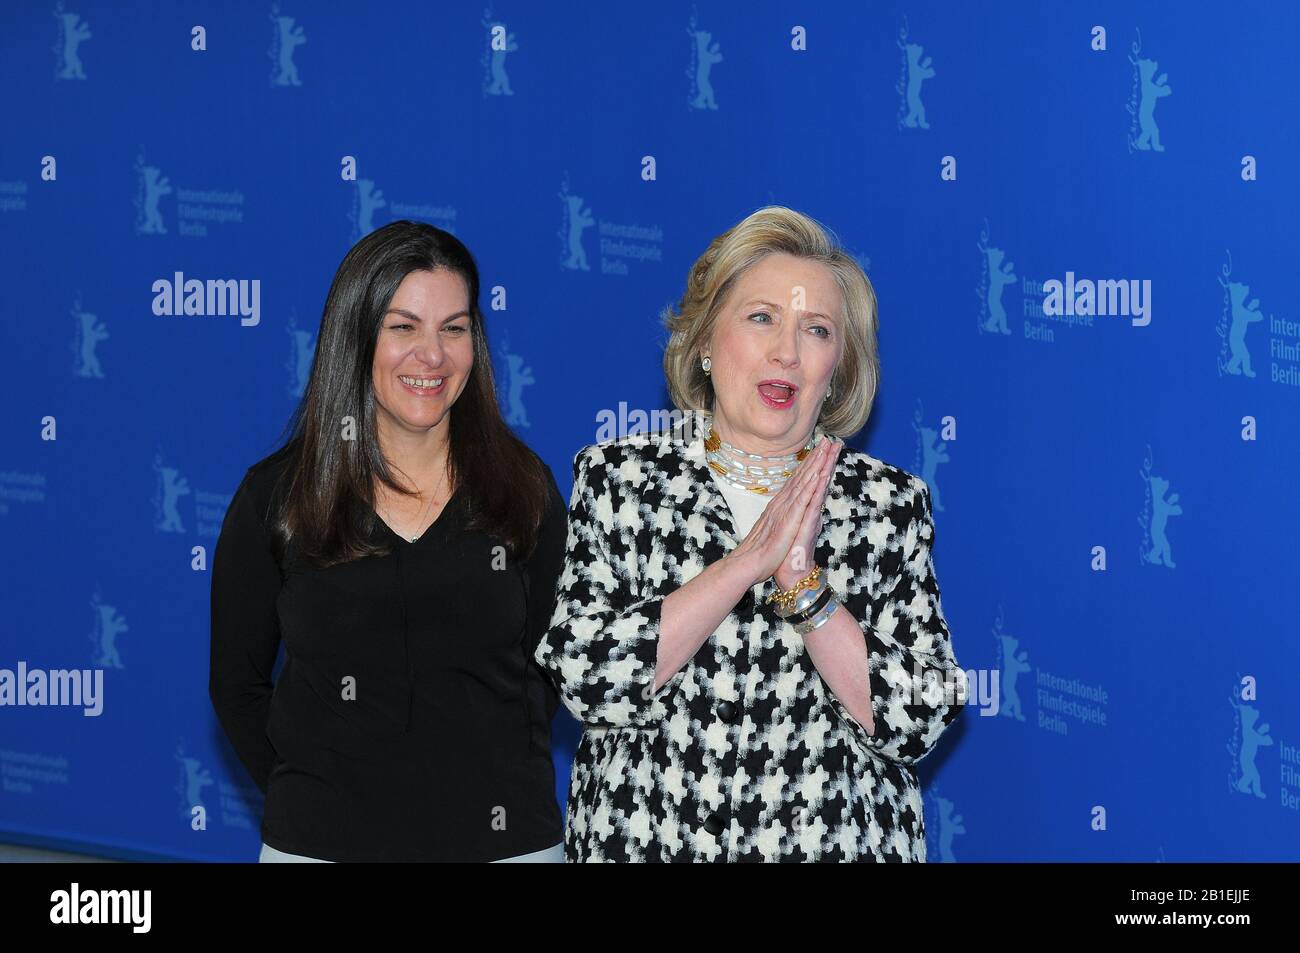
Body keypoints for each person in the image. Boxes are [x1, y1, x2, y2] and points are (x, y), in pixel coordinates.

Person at [535, 205, 966, 861]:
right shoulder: (620, 481)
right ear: (706, 341)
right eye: (761, 317)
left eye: (816, 329)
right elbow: (587, 676)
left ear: (838, 367)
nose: (786, 352)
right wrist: (742, 565)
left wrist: (805, 586)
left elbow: (921, 716)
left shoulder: (888, 504)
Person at [210, 220, 566, 862]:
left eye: (453, 328)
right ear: (357, 335)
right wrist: (318, 800)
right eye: (403, 327)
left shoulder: (524, 489)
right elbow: (237, 687)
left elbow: (549, 671)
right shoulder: (279, 496)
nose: (431, 356)